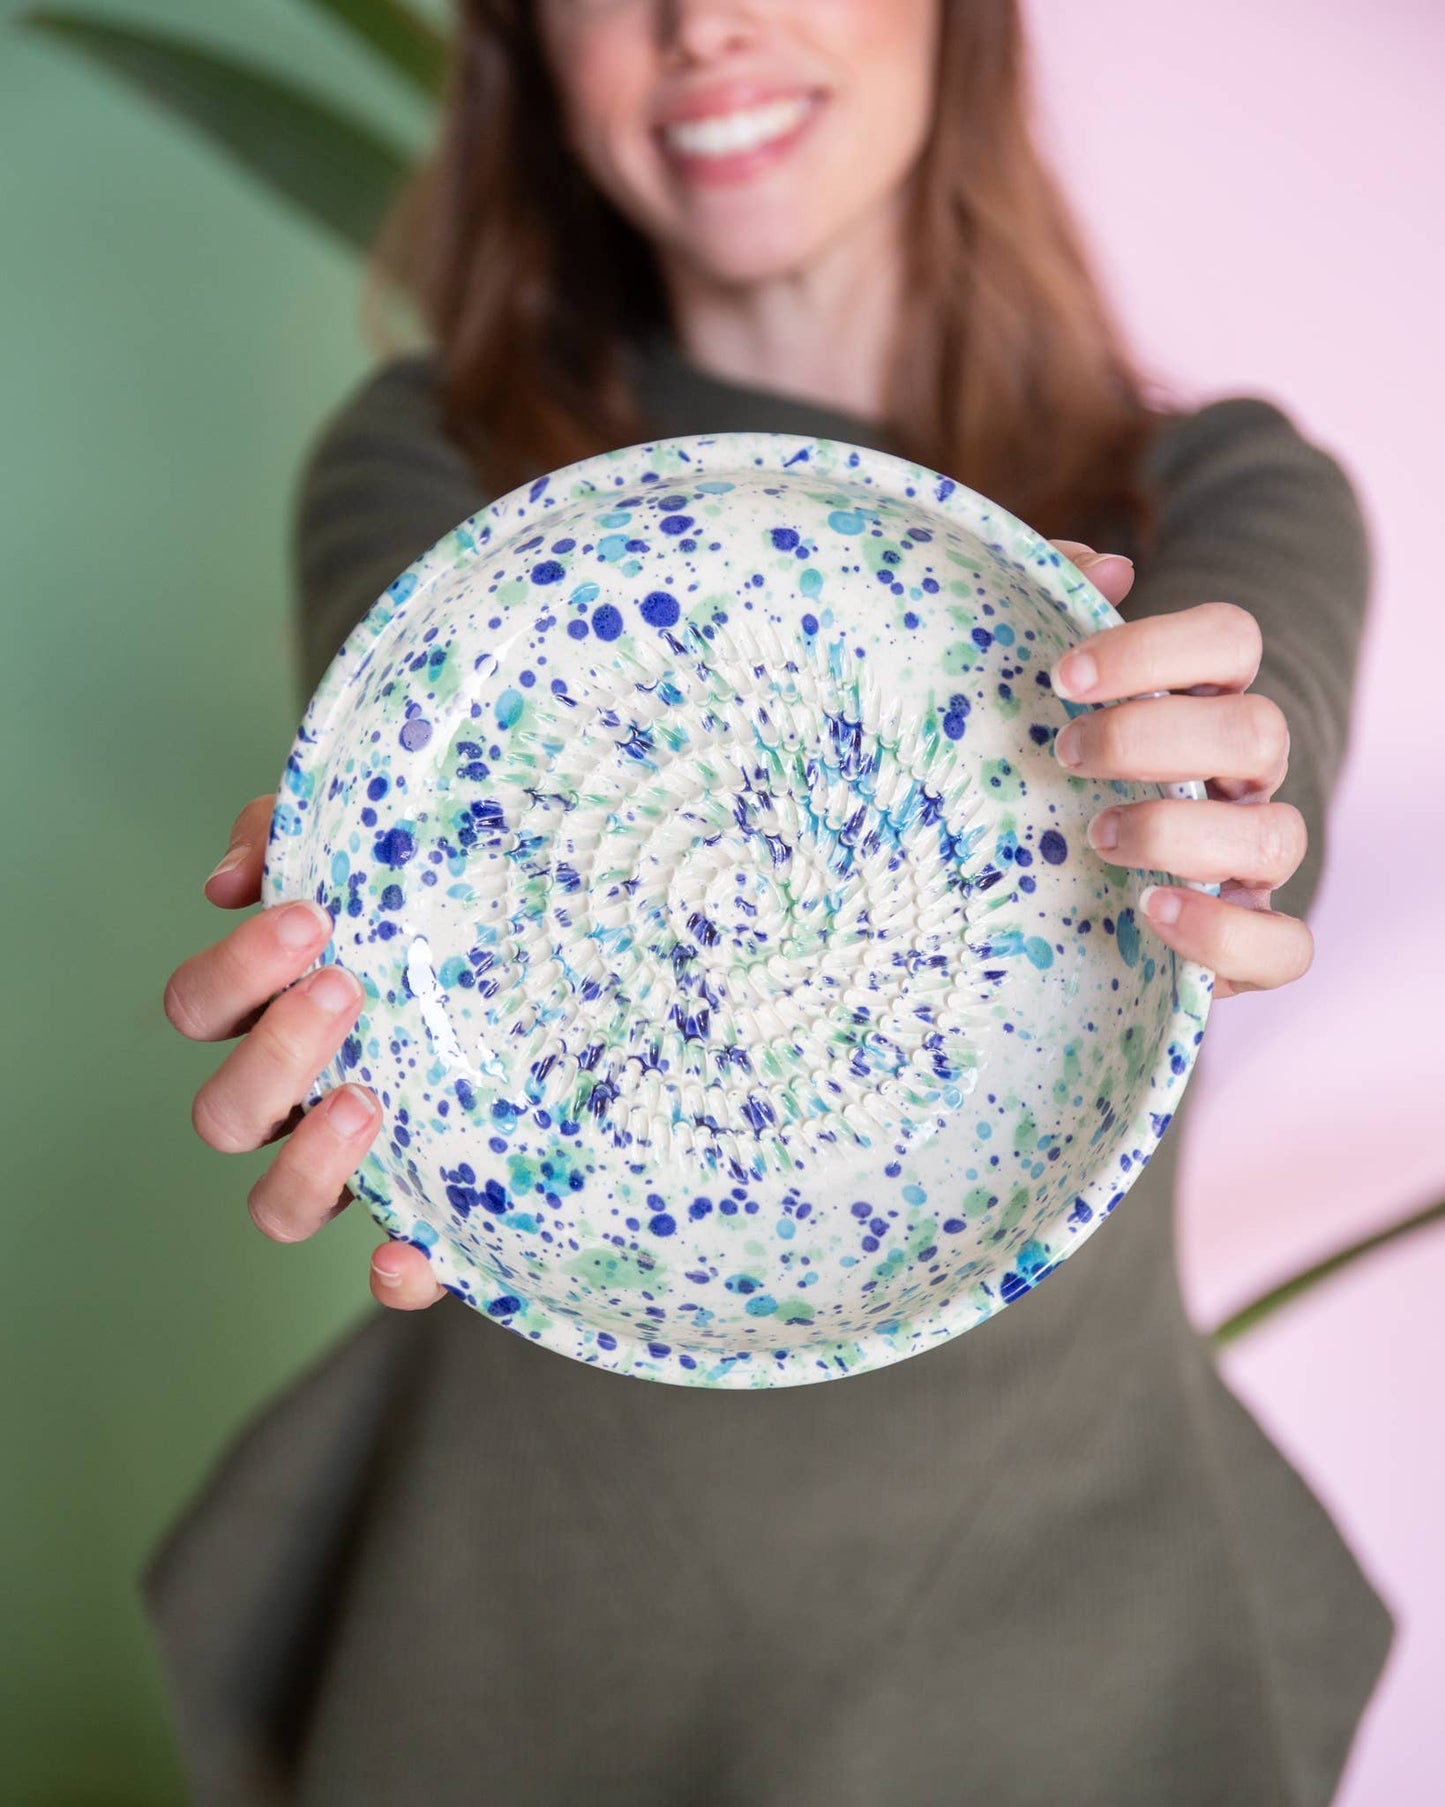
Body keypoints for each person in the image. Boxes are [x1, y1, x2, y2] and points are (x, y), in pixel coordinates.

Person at [151, 2, 1393, 1801]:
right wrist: (343, 929)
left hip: (1071, 1638)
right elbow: (392, 845)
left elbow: (1268, 797)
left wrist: (1236, 808)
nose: (699, 21)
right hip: (519, 1623)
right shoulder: (423, 461)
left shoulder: (1221, 494)